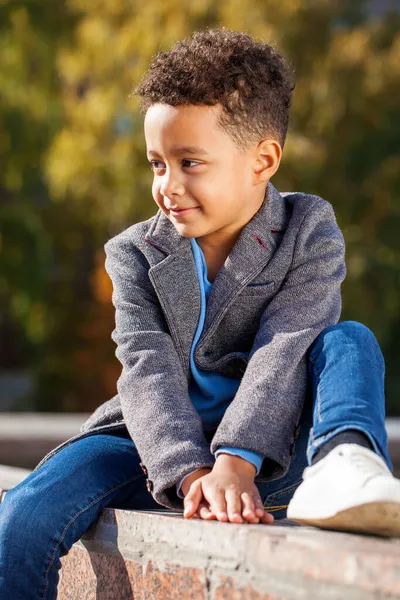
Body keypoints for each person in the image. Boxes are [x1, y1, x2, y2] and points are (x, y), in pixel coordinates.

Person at [1, 25, 399, 600]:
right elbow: (146, 367)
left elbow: (286, 344)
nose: (168, 185)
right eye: (157, 163)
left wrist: (236, 461)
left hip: (273, 452)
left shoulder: (308, 230)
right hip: (149, 448)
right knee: (25, 513)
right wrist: (191, 472)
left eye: (190, 162)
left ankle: (346, 458)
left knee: (349, 339)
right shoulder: (135, 253)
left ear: (263, 160)